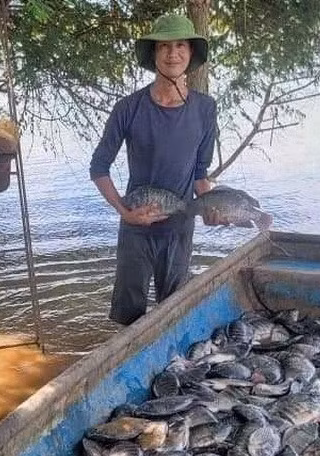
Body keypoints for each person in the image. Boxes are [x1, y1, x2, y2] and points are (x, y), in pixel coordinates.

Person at [89, 13, 226, 326]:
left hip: (179, 229)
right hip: (137, 228)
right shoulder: (128, 107)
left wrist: (212, 208)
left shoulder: (206, 109)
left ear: (191, 54)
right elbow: (99, 167)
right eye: (164, 46)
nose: (172, 53)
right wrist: (124, 212)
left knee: (174, 313)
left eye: (180, 46)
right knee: (128, 317)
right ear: (154, 54)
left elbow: (200, 173)